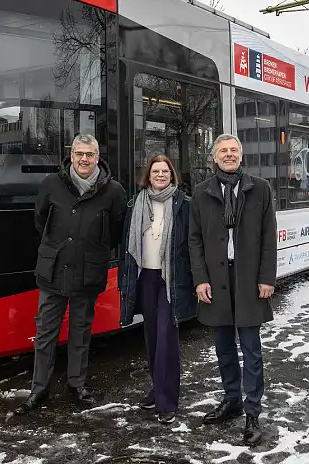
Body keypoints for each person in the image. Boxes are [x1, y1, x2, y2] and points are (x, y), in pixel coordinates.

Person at [16, 134, 128, 415]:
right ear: (72, 155)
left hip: (88, 272)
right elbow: (40, 221)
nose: (84, 160)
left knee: (81, 332)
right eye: (79, 153)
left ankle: (77, 385)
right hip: (53, 271)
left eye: (89, 154)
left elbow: (116, 232)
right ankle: (39, 389)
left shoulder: (113, 191)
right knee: (45, 334)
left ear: (97, 156)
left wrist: (91, 249)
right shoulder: (52, 184)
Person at [188, 133, 277, 447]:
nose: (228, 155)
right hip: (217, 280)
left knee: (251, 350)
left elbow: (269, 238)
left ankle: (252, 411)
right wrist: (200, 279)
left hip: (249, 279)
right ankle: (232, 399)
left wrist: (267, 278)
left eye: (233, 151)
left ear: (241, 156)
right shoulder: (201, 193)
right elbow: (194, 241)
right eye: (223, 151)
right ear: (214, 158)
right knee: (224, 347)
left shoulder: (260, 189)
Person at [119, 155, 196, 425]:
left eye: (165, 171)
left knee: (166, 338)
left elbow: (191, 244)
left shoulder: (184, 205)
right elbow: (126, 245)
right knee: (151, 337)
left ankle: (168, 402)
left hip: (170, 279)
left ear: (172, 175)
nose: (161, 175)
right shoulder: (136, 203)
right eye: (156, 171)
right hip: (145, 278)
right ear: (148, 176)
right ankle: (156, 388)